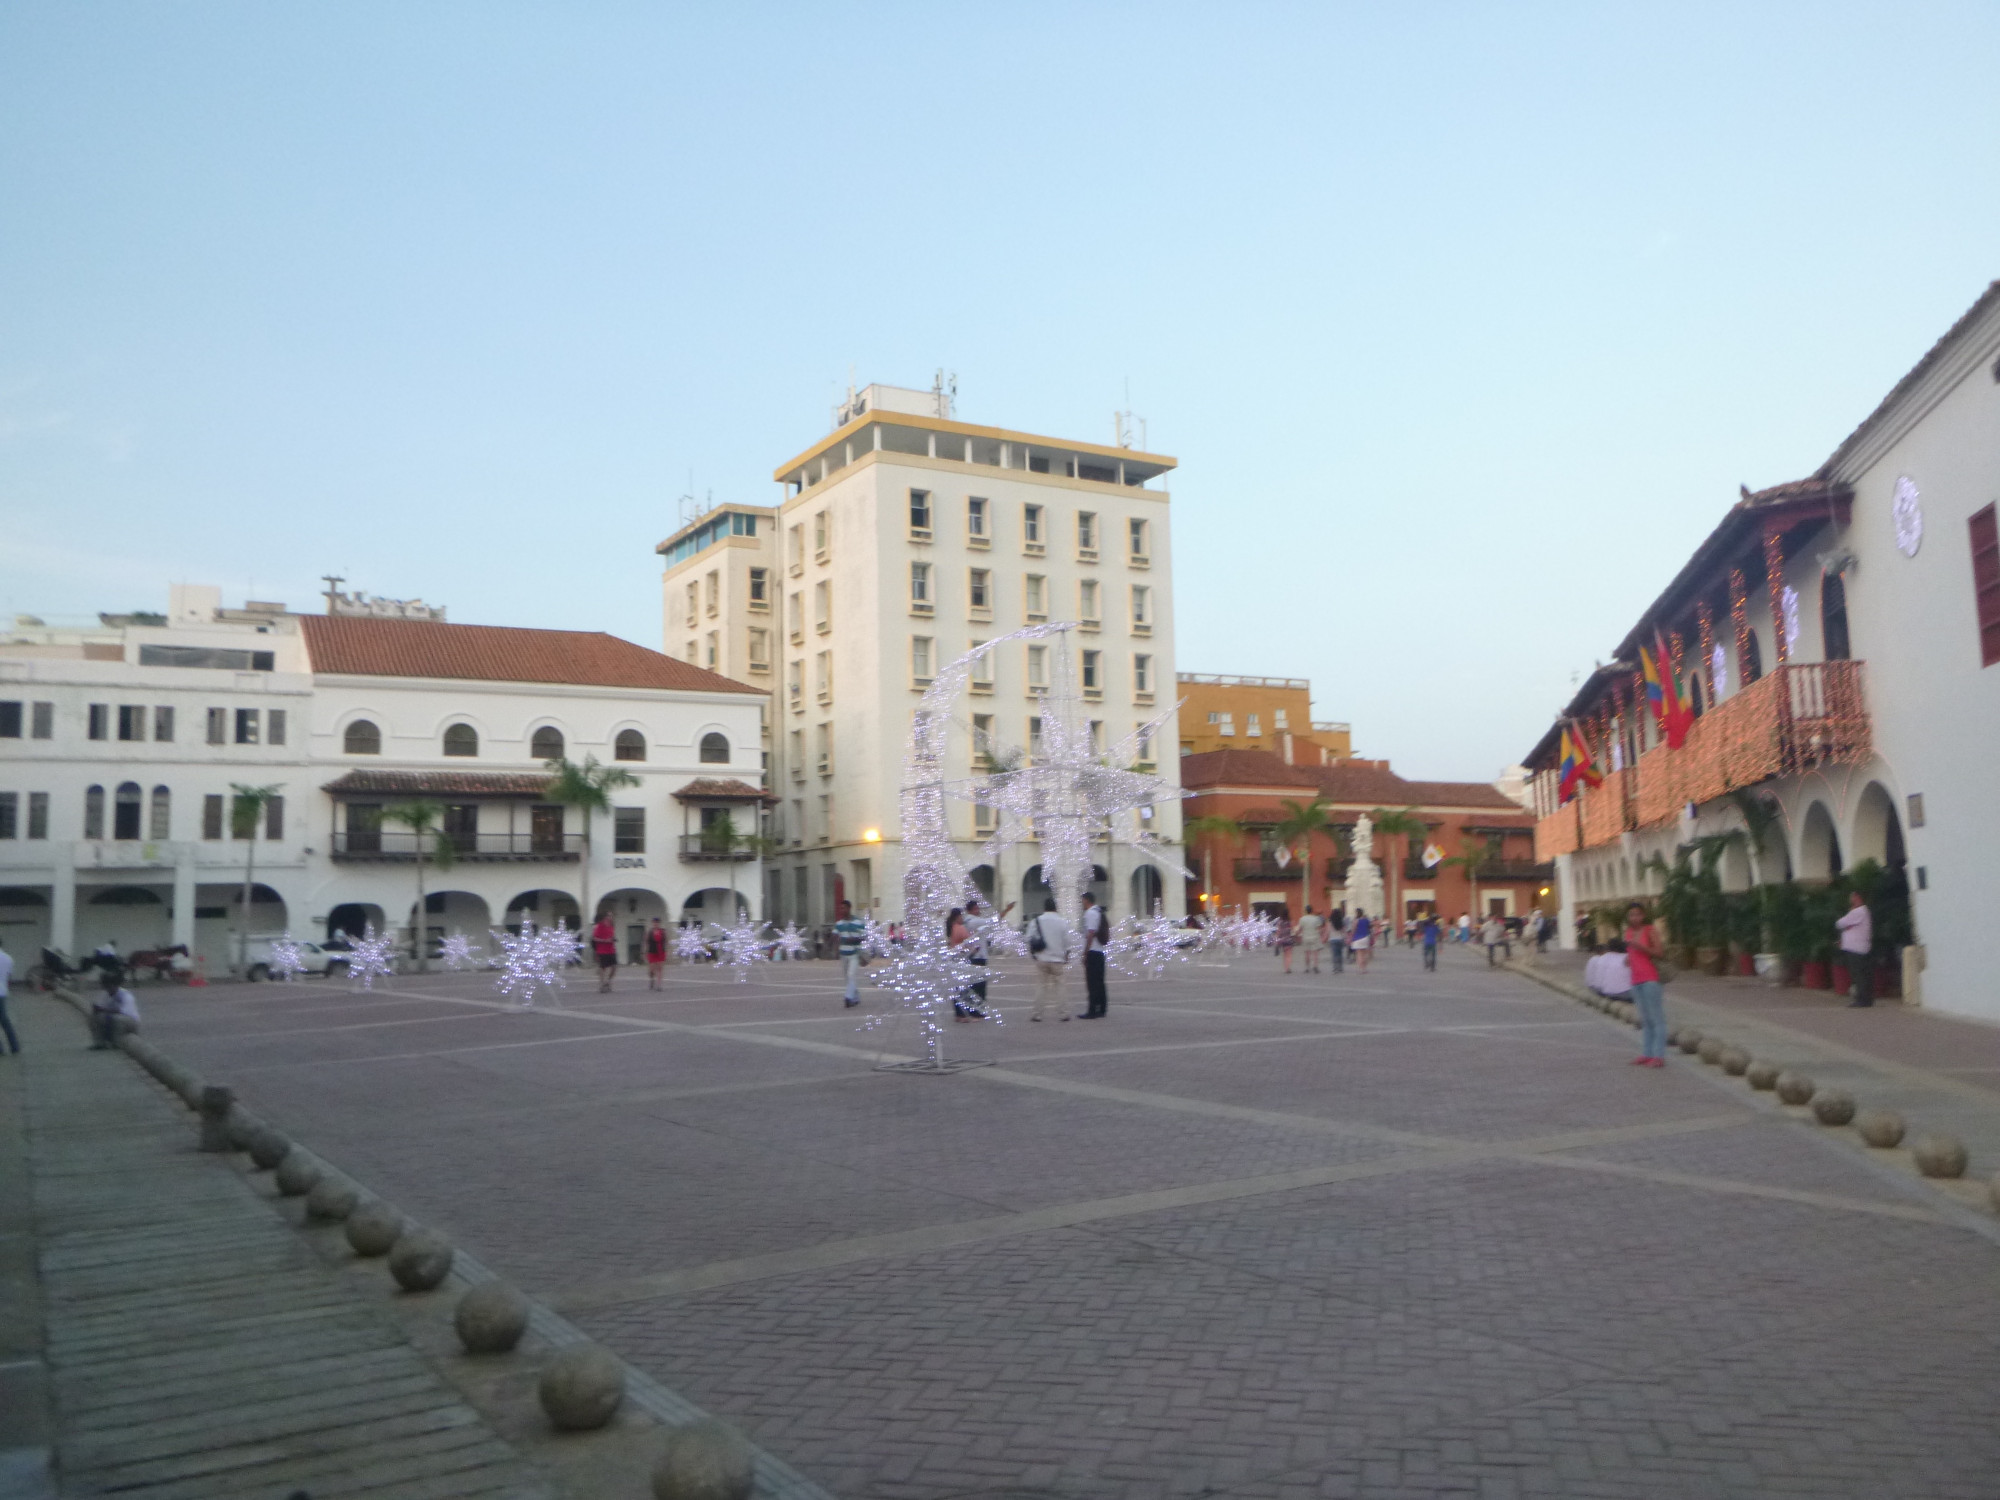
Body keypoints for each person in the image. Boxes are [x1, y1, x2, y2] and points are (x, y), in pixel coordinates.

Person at [1623, 901, 1668, 1066]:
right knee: (1645, 1018)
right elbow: (1632, 954)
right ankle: (1647, 1052)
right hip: (1635, 980)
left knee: (1657, 1018)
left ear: (1643, 915)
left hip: (1650, 978)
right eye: (1631, 915)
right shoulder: (1628, 932)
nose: (1634, 917)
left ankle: (1659, 1055)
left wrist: (1641, 947)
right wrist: (1628, 958)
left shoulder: (1650, 930)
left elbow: (1660, 953)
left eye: (1637, 914)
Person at [1027, 898, 1071, 1021]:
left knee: (1041, 986)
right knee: (1060, 986)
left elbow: (1029, 938)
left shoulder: (1036, 921)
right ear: (1055, 907)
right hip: (1058, 958)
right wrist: (1067, 954)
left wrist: (1034, 953)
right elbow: (1067, 941)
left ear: (1044, 908)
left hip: (1042, 957)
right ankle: (1064, 1013)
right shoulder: (1062, 922)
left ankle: (1037, 1014)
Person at [1837, 890, 1874, 1008]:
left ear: (1857, 897)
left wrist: (1847, 921)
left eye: (1852, 897)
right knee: (1862, 973)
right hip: (1858, 947)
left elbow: (1840, 923)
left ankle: (1862, 999)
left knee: (1858, 974)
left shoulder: (1858, 911)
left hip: (1856, 948)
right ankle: (1866, 998)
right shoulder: (1862, 912)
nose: (1850, 900)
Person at [1078, 891, 1110, 1019]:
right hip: (1100, 951)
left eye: (1082, 900)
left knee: (1092, 983)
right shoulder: (1099, 912)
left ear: (1086, 900)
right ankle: (1102, 1008)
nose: (1082, 903)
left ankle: (1092, 1010)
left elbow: (1090, 933)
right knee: (1100, 982)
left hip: (1093, 951)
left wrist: (1085, 953)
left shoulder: (1090, 913)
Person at [947, 907, 983, 1020]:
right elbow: (970, 943)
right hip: (962, 959)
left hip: (952, 959)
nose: (962, 918)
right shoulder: (960, 928)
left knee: (956, 988)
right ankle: (963, 1014)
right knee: (963, 988)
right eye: (961, 916)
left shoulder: (949, 928)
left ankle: (958, 1014)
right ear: (957, 917)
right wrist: (975, 948)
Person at [89, 971, 140, 1050]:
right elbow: (101, 1007)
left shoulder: (126, 995)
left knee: (117, 1019)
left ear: (115, 985)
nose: (108, 989)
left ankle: (117, 1043)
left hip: (130, 1021)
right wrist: (96, 1010)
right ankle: (99, 1043)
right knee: (96, 1017)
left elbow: (123, 1011)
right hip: (113, 1020)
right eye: (106, 986)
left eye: (110, 986)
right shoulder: (106, 994)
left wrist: (104, 1010)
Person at [832, 900, 867, 1007]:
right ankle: (855, 997)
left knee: (851, 974)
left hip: (855, 953)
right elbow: (835, 937)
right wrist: (834, 949)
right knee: (847, 977)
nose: (842, 910)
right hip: (844, 954)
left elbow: (864, 936)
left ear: (849, 908)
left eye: (844, 908)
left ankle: (848, 997)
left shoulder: (858, 922)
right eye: (841, 908)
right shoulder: (839, 924)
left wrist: (855, 939)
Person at [590, 910, 619, 992]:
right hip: (602, 950)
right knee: (603, 968)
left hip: (611, 950)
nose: (611, 918)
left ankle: (608, 981)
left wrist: (614, 939)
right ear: (606, 917)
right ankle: (602, 985)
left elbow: (612, 936)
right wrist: (604, 940)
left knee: (614, 967)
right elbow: (594, 938)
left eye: (612, 916)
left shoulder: (611, 926)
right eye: (609, 916)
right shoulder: (600, 926)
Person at [0, 936, 18, 1056]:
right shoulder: (8, 958)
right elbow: (9, 977)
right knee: (4, 1020)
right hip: (2, 991)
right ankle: (14, 1045)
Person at [1295, 906, 1326, 974]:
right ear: (1312, 911)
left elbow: (1299, 929)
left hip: (1305, 937)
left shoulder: (1302, 919)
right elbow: (1319, 929)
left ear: (1306, 911)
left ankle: (1307, 967)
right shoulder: (1316, 919)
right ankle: (1315, 966)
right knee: (1315, 953)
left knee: (1307, 953)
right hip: (1315, 936)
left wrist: (1297, 935)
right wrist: (1321, 935)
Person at [643, 918, 668, 991]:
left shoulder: (663, 932)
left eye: (657, 922)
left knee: (660, 968)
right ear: (652, 923)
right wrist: (645, 951)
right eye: (654, 922)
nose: (656, 924)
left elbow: (666, 941)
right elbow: (646, 942)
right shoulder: (649, 932)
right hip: (652, 951)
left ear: (659, 923)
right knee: (652, 969)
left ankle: (659, 985)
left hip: (660, 951)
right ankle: (652, 979)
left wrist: (667, 950)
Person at [1327, 909, 1346, 973]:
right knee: (1340, 954)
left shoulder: (1330, 922)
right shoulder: (1341, 921)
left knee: (1334, 955)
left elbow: (1328, 931)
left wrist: (1325, 938)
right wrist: (1345, 937)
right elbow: (1343, 931)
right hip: (1340, 939)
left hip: (1333, 939)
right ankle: (1340, 967)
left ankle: (1335, 968)